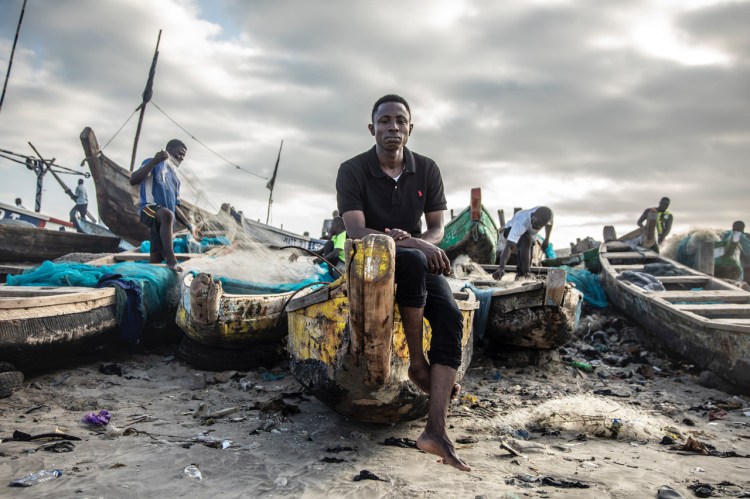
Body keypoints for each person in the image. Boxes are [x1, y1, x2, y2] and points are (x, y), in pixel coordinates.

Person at [336, 94, 469, 471]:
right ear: (372, 128)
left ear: (410, 129)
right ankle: (415, 362)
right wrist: (410, 243)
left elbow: (438, 228)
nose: (392, 127)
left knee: (450, 316)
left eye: (400, 121)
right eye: (384, 121)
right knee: (409, 257)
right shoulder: (353, 169)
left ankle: (436, 429)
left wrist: (419, 243)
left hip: (414, 259)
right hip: (368, 263)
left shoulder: (426, 169)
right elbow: (357, 230)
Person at [130, 139, 195, 272]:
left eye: (184, 156)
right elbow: (133, 179)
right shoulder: (153, 163)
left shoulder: (176, 180)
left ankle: (152, 277)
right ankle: (172, 260)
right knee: (167, 215)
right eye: (180, 153)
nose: (181, 158)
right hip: (149, 209)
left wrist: (189, 224)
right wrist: (155, 161)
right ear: (169, 150)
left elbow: (176, 207)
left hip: (164, 220)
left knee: (156, 256)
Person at [492, 206, 553, 280]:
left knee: (528, 244)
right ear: (533, 216)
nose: (536, 227)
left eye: (539, 226)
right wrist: (501, 268)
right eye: (535, 224)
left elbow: (549, 225)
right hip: (509, 229)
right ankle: (526, 274)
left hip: (530, 235)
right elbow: (509, 247)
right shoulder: (521, 222)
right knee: (526, 239)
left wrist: (546, 239)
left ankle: (521, 275)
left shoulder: (548, 215)